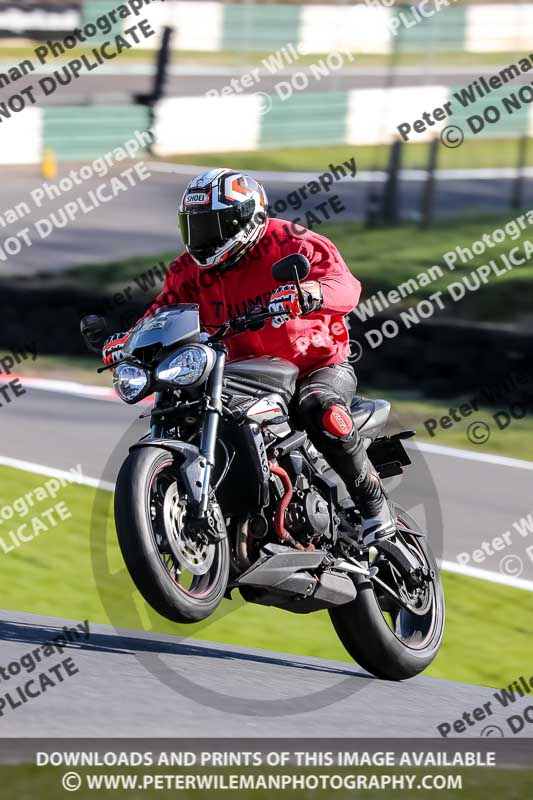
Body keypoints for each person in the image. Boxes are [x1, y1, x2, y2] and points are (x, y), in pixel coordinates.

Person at [102, 168, 395, 545]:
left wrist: (310, 293)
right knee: (187, 404)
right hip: (239, 372)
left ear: (248, 217)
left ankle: (373, 505)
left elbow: (346, 285)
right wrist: (129, 340)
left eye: (213, 226)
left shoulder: (293, 241)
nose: (203, 238)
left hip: (315, 365)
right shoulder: (187, 270)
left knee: (320, 407)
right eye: (195, 227)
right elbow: (163, 311)